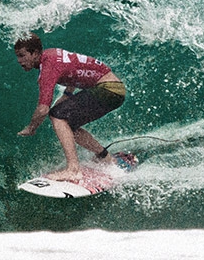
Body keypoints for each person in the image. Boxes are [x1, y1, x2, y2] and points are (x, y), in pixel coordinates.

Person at [14, 33, 125, 182]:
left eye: (22, 55)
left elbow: (43, 109)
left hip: (108, 89)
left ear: (34, 53)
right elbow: (74, 68)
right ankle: (105, 158)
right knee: (69, 125)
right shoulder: (51, 54)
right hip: (114, 90)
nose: (19, 61)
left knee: (57, 115)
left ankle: (73, 170)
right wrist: (67, 94)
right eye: (18, 56)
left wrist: (31, 128)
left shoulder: (47, 67)